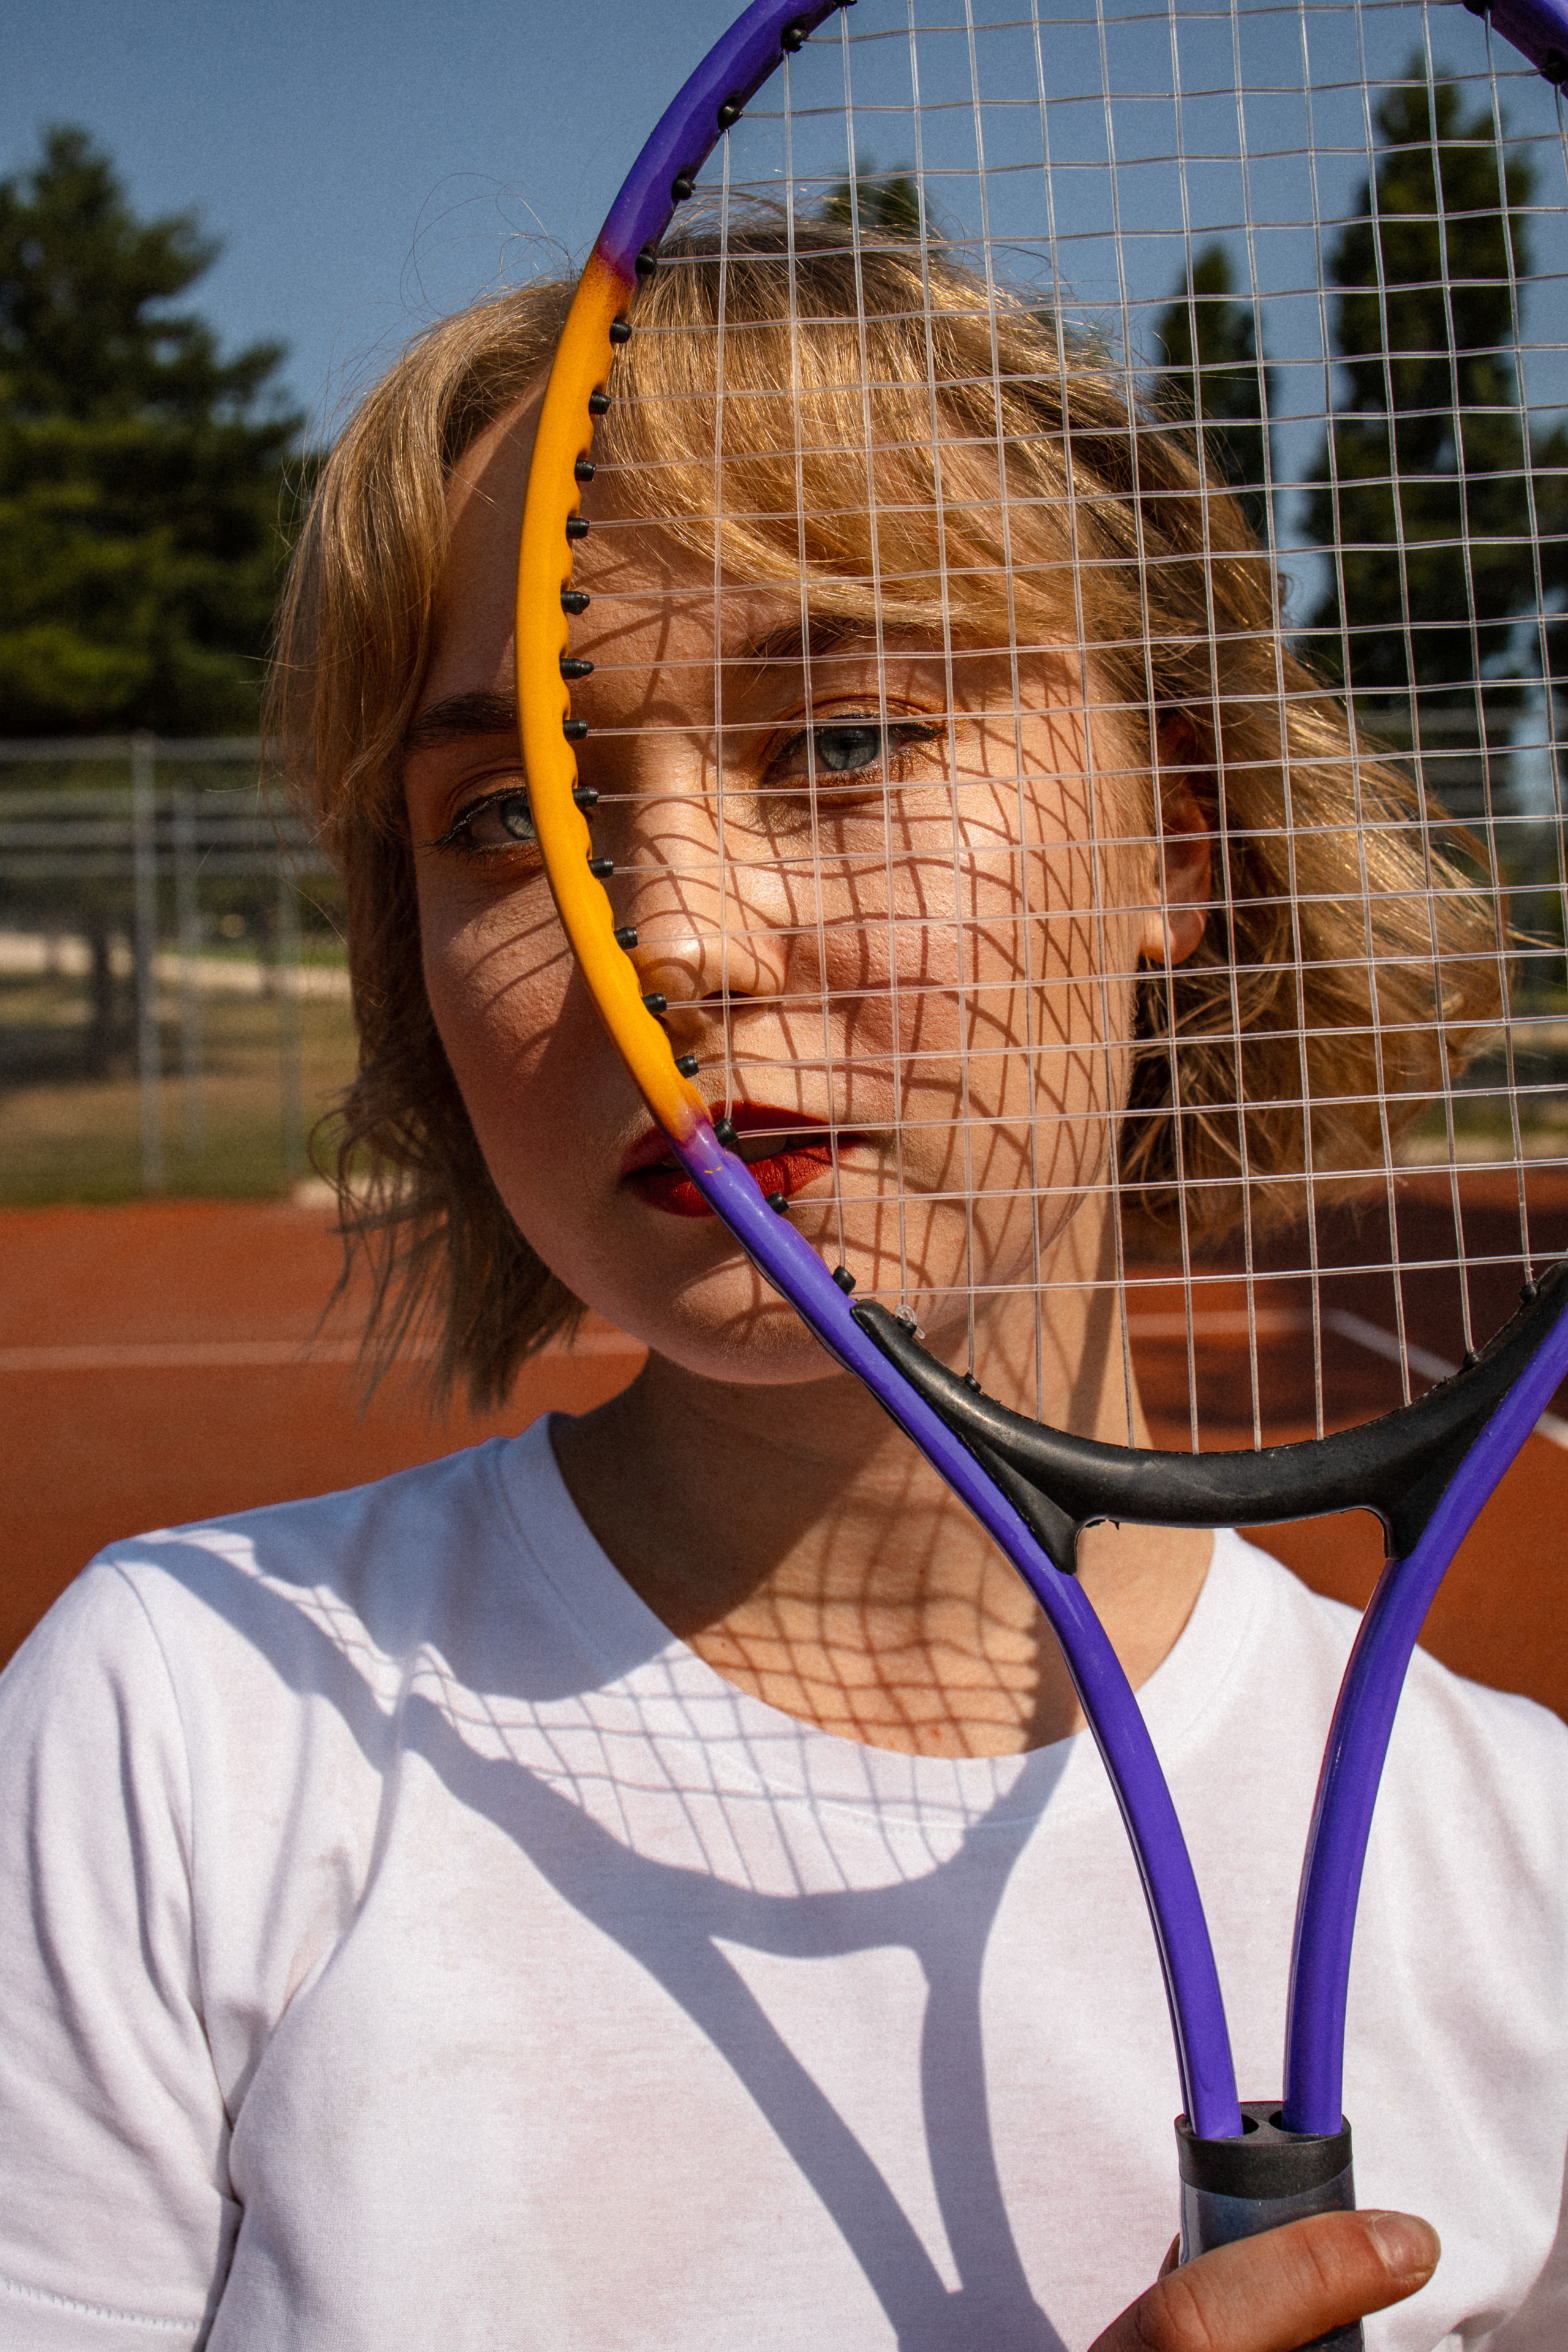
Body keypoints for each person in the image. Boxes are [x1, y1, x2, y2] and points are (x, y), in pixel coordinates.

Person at [2, 223, 1565, 2352]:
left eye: (839, 741)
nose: (672, 944)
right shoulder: (177, 1739)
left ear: (1178, 844)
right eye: (505, 817)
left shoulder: (1528, 1878)